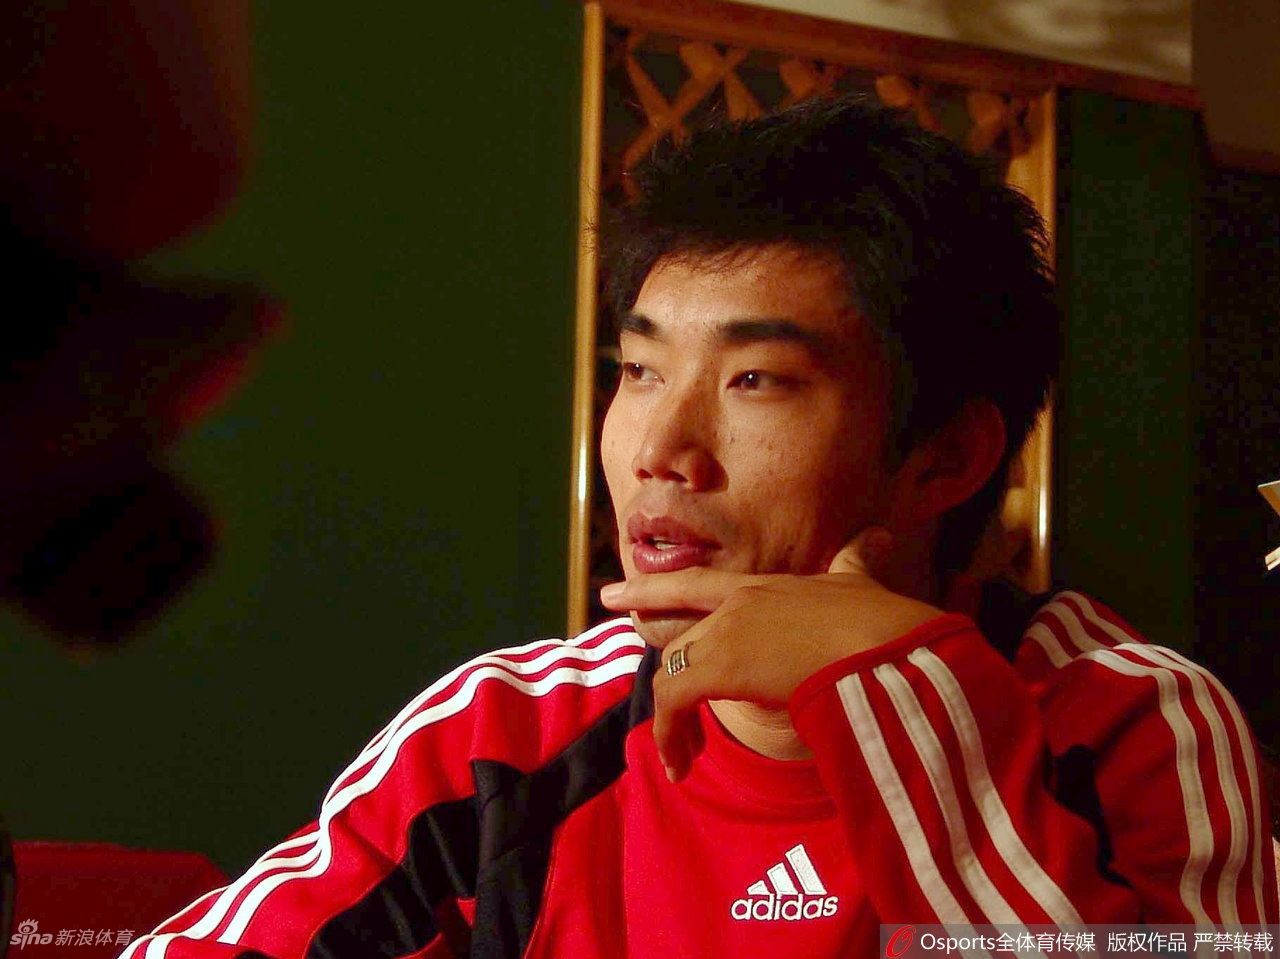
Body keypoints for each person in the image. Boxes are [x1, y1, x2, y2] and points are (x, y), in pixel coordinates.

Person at [120, 96, 1275, 959]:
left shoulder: (1129, 722)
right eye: (637, 369)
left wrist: (900, 690)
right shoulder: (507, 736)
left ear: (944, 456)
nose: (658, 449)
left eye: (755, 379)